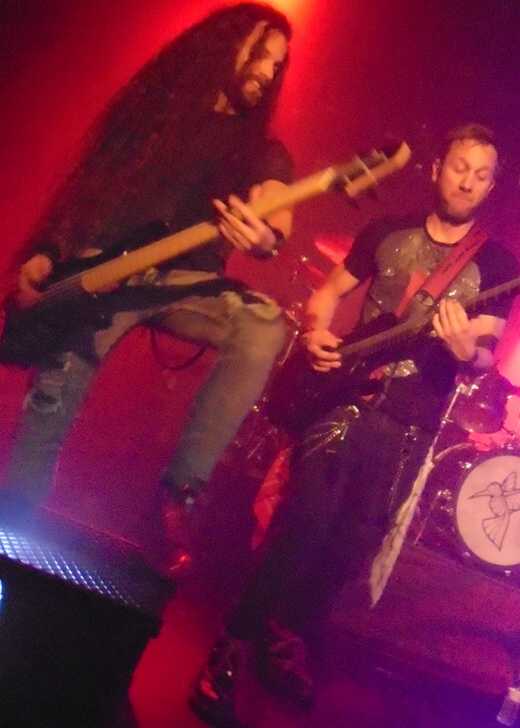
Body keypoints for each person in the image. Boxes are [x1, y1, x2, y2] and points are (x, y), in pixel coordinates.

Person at [191, 123, 520, 726]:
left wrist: (462, 349)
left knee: (350, 548)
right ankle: (230, 647)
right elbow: (328, 295)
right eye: (459, 167)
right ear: (437, 170)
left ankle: (283, 634)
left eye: (481, 175)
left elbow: (482, 353)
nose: (467, 182)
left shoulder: (498, 265)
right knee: (303, 525)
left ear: (491, 186)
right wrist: (317, 330)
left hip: (411, 430)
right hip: (348, 402)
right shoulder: (386, 231)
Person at [2, 3, 294, 574]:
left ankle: (180, 491)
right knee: (52, 398)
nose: (266, 71)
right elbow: (90, 186)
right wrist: (47, 250)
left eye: (277, 65)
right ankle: (11, 536)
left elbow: (275, 208)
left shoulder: (261, 149)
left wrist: (265, 236)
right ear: (226, 43)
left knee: (263, 323)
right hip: (102, 273)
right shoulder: (153, 114)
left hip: (183, 282)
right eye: (260, 53)